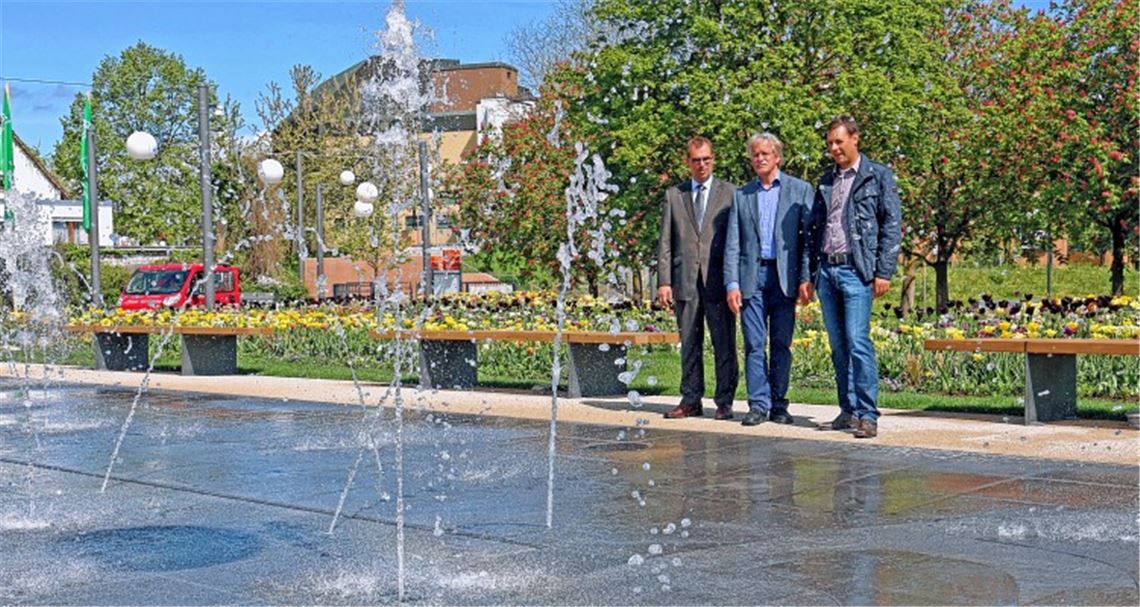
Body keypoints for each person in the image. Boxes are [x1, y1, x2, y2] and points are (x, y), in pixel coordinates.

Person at [809, 115, 902, 439]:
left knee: (858, 341)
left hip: (856, 270)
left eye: (839, 141)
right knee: (838, 345)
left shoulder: (877, 176)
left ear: (855, 139)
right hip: (827, 270)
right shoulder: (826, 181)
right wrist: (810, 272)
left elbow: (891, 225)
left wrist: (884, 271)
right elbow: (816, 229)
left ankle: (867, 414)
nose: (834, 148)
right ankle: (847, 410)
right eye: (830, 143)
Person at [724, 133, 814, 426]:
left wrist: (805, 278)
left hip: (784, 277)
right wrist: (732, 284)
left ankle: (779, 404)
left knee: (780, 343)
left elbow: (807, 242)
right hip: (752, 277)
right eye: (755, 155)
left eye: (765, 153)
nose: (760, 158)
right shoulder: (742, 195)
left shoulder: (799, 190)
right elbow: (733, 243)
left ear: (777, 157)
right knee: (753, 343)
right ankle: (758, 405)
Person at [656, 136, 739, 420]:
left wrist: (734, 281)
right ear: (687, 162)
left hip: (719, 281)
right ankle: (691, 399)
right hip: (685, 280)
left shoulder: (730, 193)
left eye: (706, 159)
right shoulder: (674, 195)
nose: (702, 165)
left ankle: (725, 401)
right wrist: (664, 281)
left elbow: (736, 240)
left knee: (723, 342)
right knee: (690, 342)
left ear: (713, 159)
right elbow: (665, 241)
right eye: (696, 160)